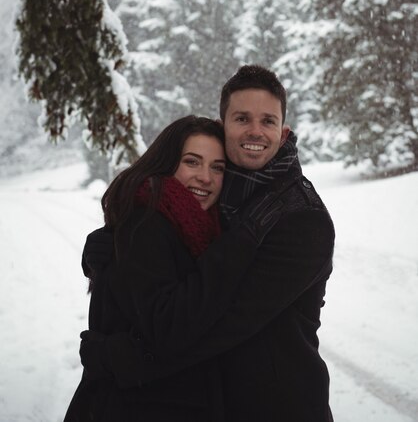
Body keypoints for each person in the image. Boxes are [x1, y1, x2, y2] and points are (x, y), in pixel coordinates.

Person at [80, 65, 335, 422]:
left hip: (280, 405)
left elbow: (220, 323)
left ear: (284, 131)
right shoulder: (225, 194)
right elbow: (178, 252)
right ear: (224, 126)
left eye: (267, 121)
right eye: (242, 118)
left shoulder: (301, 219)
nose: (255, 132)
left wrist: (119, 357)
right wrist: (116, 240)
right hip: (219, 402)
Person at [65, 114, 284, 422]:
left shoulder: (199, 229)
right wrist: (240, 244)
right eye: (192, 162)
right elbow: (170, 328)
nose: (205, 177)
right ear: (166, 163)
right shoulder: (147, 224)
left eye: (217, 167)